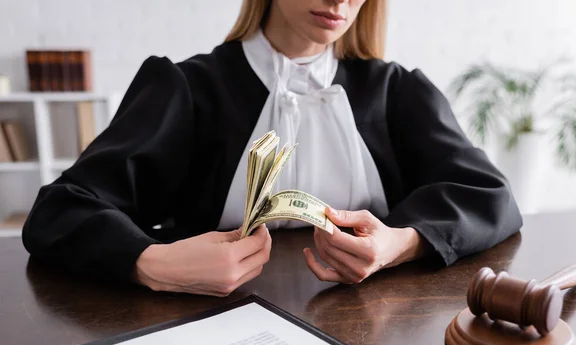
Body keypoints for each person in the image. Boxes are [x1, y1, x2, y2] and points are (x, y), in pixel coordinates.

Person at [22, 0, 523, 297]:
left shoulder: (397, 92)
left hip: (372, 335)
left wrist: (401, 242)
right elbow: (58, 212)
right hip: (207, 329)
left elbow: (492, 196)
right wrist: (151, 262)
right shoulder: (186, 90)